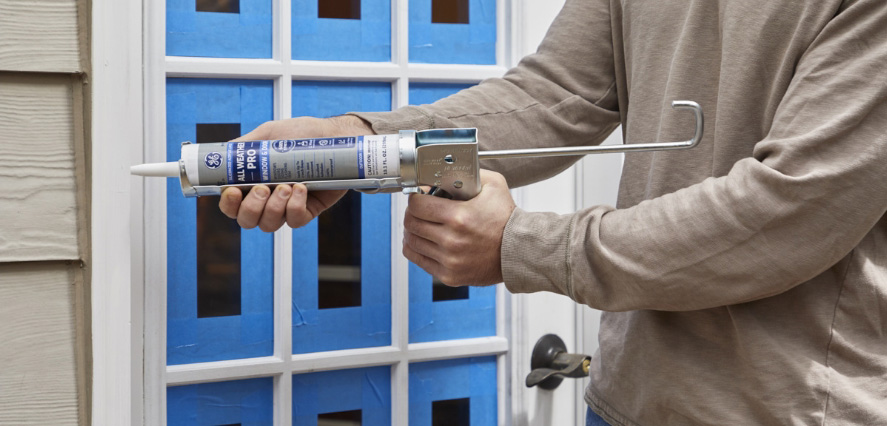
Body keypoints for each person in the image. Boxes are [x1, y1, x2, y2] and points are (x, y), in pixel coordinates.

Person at [219, 0, 887, 424]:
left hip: (789, 411)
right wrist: (362, 145)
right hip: (627, 403)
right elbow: (558, 95)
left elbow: (788, 211)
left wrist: (519, 245)